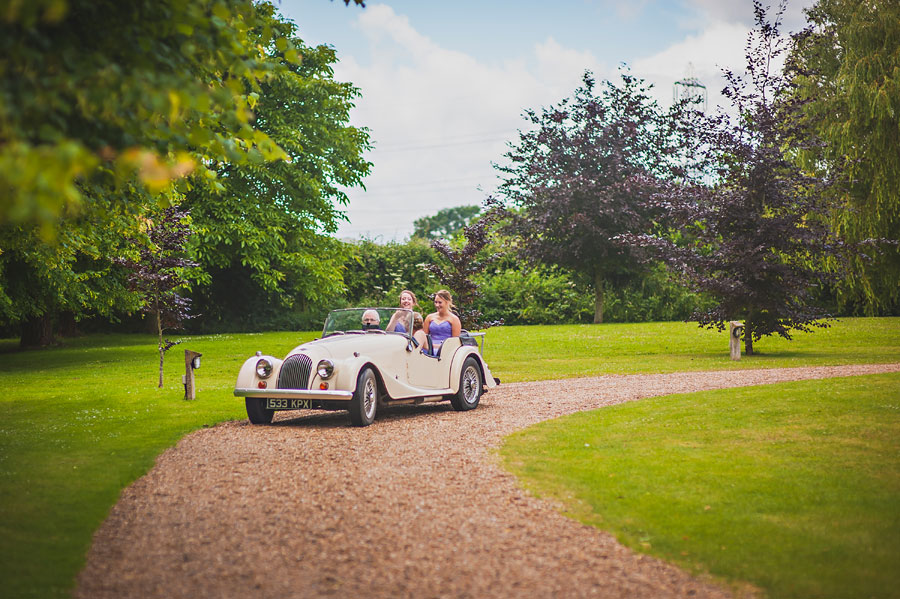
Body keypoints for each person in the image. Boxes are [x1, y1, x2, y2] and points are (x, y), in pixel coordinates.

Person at [423, 289, 461, 354]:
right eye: (435, 302)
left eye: (440, 302)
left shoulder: (454, 319)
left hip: (446, 349)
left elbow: (455, 341)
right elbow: (424, 336)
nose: (437, 305)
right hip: (429, 347)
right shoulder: (429, 317)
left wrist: (441, 347)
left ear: (447, 302)